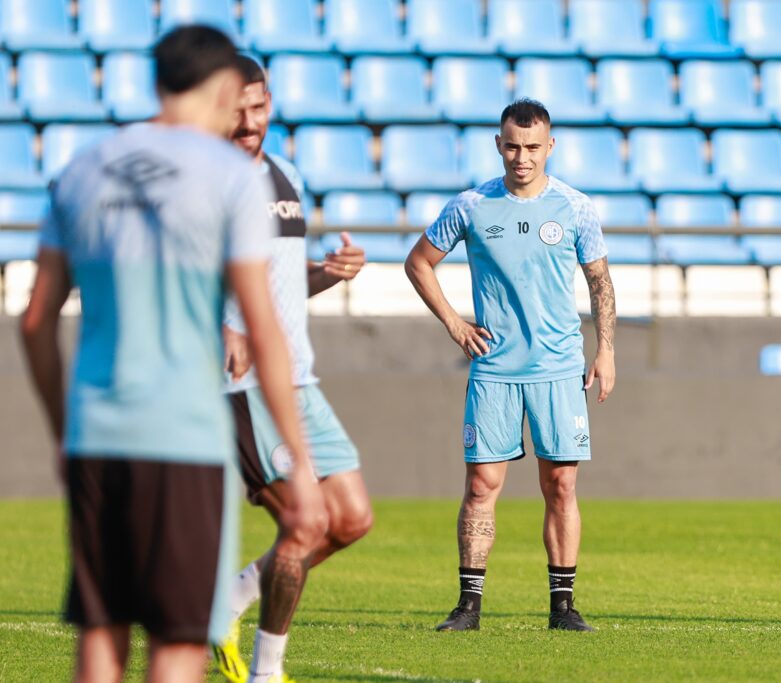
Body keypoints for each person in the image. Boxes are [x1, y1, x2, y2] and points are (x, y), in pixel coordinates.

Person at [20, 26, 324, 683]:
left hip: (97, 432)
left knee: (100, 638)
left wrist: (62, 429)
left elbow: (36, 320)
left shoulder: (82, 170)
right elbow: (264, 328)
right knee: (179, 642)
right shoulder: (230, 176)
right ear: (220, 86)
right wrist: (299, 464)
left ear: (155, 80)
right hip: (185, 435)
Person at [405, 98, 616, 632]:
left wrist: (606, 350)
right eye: (513, 147)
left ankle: (563, 607)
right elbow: (419, 263)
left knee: (561, 485)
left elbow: (599, 282)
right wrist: (455, 323)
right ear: (499, 145)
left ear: (550, 147)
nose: (522, 157)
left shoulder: (576, 208)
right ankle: (468, 607)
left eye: (533, 148)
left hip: (558, 367)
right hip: (495, 371)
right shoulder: (472, 205)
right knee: (480, 486)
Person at [209, 56, 373, 683]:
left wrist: (326, 275)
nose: (249, 121)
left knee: (352, 519)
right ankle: (266, 672)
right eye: (236, 108)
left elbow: (279, 288)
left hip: (298, 378)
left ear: (270, 103)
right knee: (305, 521)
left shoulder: (286, 177)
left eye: (259, 106)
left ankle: (229, 599)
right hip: (240, 385)